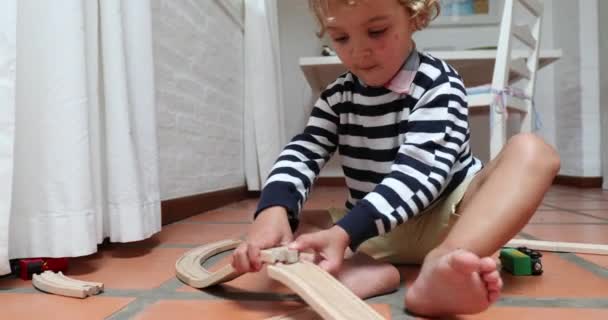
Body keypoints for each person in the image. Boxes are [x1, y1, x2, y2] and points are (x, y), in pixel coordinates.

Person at [231, 0, 560, 316]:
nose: (358, 50)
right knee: (292, 225)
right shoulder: (335, 98)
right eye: (341, 37)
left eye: (376, 31)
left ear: (414, 16)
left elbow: (419, 174)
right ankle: (370, 270)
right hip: (370, 233)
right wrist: (274, 211)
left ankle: (442, 265)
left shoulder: (438, 83)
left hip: (451, 221)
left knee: (532, 151)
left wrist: (346, 232)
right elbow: (305, 151)